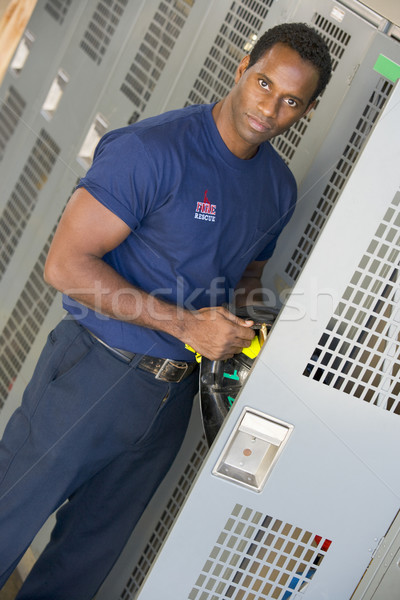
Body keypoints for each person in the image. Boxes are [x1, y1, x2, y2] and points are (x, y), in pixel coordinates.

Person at [0, 22, 332, 599]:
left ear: (306, 109)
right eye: (262, 83)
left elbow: (245, 276)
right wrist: (185, 324)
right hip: (91, 374)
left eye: (290, 101)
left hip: (172, 402)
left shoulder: (277, 188)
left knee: (79, 570)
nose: (269, 108)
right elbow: (66, 267)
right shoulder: (152, 149)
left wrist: (259, 327)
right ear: (241, 65)